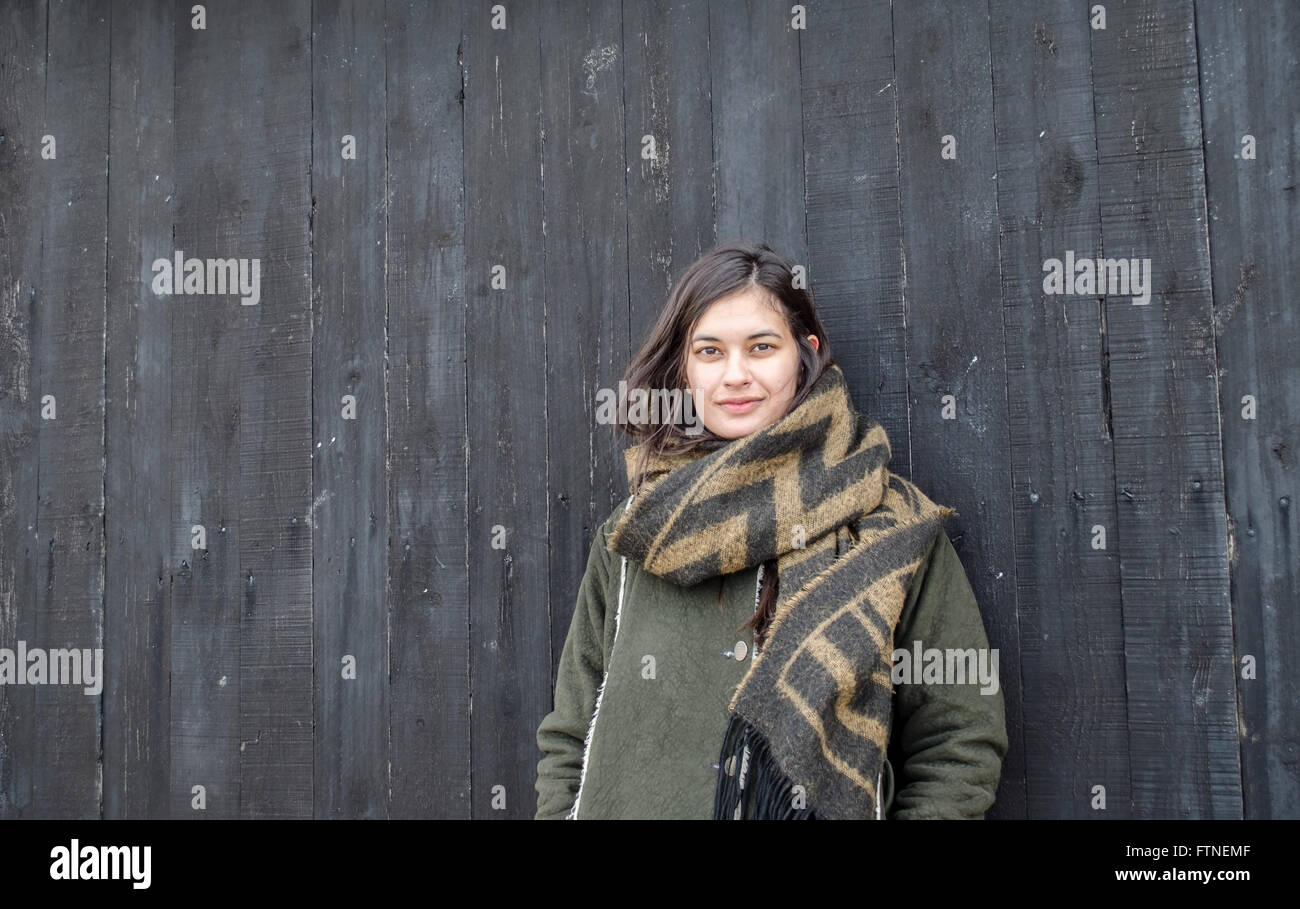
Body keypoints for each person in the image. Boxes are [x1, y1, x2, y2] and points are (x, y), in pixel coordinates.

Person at [535, 240, 1008, 819]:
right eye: (709, 351)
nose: (736, 375)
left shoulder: (890, 525)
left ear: (804, 354)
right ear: (684, 369)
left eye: (761, 347)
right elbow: (570, 728)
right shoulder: (636, 528)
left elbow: (960, 742)